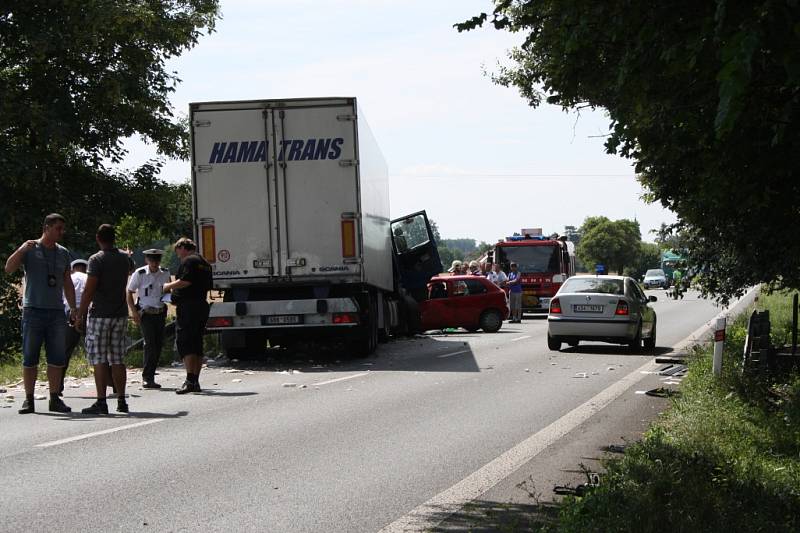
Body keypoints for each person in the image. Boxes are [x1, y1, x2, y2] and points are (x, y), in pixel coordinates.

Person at [4, 213, 76, 414]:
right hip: (33, 311)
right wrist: (20, 250)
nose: (61, 232)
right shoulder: (31, 248)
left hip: (56, 312)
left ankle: (54, 398)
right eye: (58, 228)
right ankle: (29, 399)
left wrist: (74, 308)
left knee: (56, 358)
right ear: (46, 227)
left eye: (62, 228)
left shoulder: (63, 253)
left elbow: (67, 282)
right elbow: (8, 268)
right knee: (30, 357)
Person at [76, 224, 135, 415]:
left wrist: (80, 313)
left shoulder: (96, 259)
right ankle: (121, 400)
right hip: (119, 314)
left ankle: (101, 401)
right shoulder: (124, 259)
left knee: (99, 358)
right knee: (117, 359)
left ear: (98, 238)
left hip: (100, 314)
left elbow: (89, 289)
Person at [163, 238, 213, 394]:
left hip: (189, 307)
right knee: (197, 343)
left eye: (177, 251)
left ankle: (189, 380)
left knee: (186, 341)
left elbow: (185, 281)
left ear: (183, 247)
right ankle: (195, 381)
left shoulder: (189, 261)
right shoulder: (205, 263)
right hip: (201, 305)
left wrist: (168, 286)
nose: (178, 255)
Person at [126, 249, 171, 389]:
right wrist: (134, 312)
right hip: (145, 313)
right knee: (150, 344)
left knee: (158, 344)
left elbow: (167, 290)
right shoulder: (140, 274)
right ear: (147, 260)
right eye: (152, 260)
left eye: (157, 260)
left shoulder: (165, 273)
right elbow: (129, 292)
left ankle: (151, 374)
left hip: (160, 312)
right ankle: (147, 377)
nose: (154, 263)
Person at [60, 258, 88, 395]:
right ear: (85, 268)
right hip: (88, 313)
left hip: (70, 313)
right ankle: (112, 385)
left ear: (72, 268)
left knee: (65, 350)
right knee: (99, 350)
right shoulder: (89, 277)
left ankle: (58, 387)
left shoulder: (68, 278)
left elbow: (61, 299)